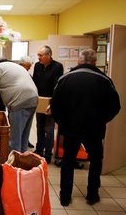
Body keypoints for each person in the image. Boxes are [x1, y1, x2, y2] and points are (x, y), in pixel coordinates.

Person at [51, 49, 120, 206]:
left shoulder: (65, 79)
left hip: (70, 129)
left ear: (78, 61)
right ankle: (92, 195)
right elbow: (115, 106)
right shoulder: (105, 80)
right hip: (95, 129)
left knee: (68, 161)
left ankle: (65, 196)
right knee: (95, 161)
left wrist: (62, 122)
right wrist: (102, 119)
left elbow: (55, 105)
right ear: (95, 62)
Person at [0, 59, 38, 153]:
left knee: (15, 138)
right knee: (24, 136)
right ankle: (22, 160)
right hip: (33, 98)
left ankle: (14, 164)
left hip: (19, 101)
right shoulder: (16, 67)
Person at [32, 45, 63, 163]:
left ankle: (48, 154)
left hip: (50, 101)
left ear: (48, 55)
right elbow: (34, 82)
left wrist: (52, 103)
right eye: (38, 55)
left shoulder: (57, 67)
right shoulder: (37, 66)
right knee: (39, 127)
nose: (38, 57)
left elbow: (57, 86)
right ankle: (39, 150)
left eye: (40, 55)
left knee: (49, 129)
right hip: (39, 101)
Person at [17, 56, 35, 148]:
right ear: (22, 65)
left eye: (30, 66)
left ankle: (25, 142)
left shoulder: (29, 75)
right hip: (18, 104)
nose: (29, 68)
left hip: (28, 103)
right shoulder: (16, 74)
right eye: (28, 66)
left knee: (26, 126)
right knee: (18, 128)